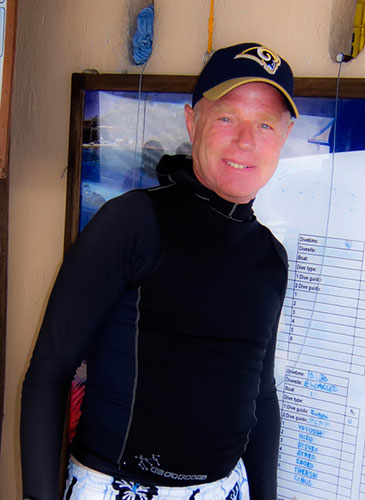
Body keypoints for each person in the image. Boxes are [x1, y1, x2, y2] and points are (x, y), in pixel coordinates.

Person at [20, 41, 299, 500]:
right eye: (227, 117)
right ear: (193, 121)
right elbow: (52, 367)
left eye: (265, 124)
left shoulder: (271, 257)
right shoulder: (132, 222)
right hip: (114, 488)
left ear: (284, 136)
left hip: (223, 490)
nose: (246, 140)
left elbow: (261, 395)